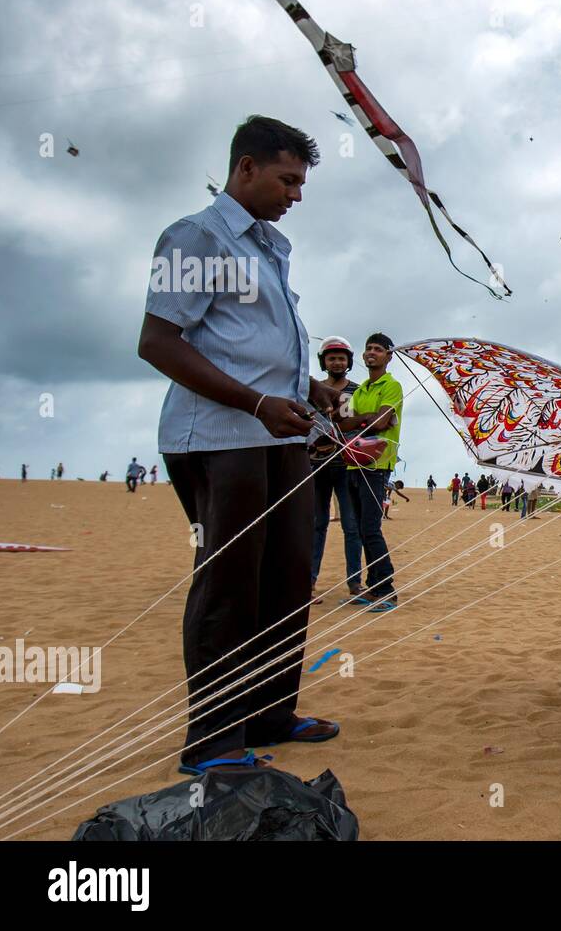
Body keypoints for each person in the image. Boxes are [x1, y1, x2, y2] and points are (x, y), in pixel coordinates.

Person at [137, 115, 340, 773]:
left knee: (287, 578)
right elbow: (159, 342)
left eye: (301, 183)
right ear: (245, 168)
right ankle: (214, 741)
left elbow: (250, 347)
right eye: (287, 180)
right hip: (222, 439)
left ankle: (271, 714)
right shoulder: (195, 237)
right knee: (229, 584)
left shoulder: (268, 250)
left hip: (279, 436)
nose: (297, 196)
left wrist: (309, 388)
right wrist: (254, 402)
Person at [333, 333, 403, 613]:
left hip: (376, 466)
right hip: (353, 463)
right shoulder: (361, 390)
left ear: (389, 355)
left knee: (371, 529)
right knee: (361, 529)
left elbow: (381, 422)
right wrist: (364, 421)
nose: (371, 353)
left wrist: (361, 422)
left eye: (378, 349)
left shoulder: (392, 386)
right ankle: (374, 587)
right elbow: (343, 424)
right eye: (368, 349)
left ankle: (386, 590)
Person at [307, 336, 362, 602]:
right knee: (316, 524)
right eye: (332, 358)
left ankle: (355, 582)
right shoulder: (313, 389)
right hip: (316, 464)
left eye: (341, 358)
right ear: (324, 362)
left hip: (345, 463)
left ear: (348, 361)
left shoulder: (355, 390)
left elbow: (356, 424)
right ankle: (309, 582)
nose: (337, 362)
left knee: (351, 525)